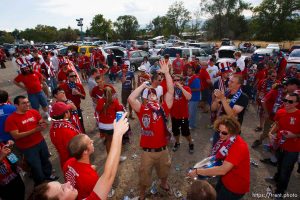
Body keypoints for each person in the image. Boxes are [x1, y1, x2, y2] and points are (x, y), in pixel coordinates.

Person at [28, 114, 129, 200]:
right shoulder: (91, 177)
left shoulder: (68, 162)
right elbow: (108, 176)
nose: (67, 184)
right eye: (62, 189)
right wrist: (118, 134)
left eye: (61, 184)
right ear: (85, 151)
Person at [128, 59, 174, 200]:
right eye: (150, 94)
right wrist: (143, 85)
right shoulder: (143, 110)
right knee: (144, 175)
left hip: (162, 150)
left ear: (158, 98)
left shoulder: (163, 109)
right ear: (146, 99)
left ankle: (164, 183)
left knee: (164, 170)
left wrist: (166, 73)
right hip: (147, 152)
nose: (152, 94)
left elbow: (171, 92)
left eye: (154, 94)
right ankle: (142, 194)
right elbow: (131, 98)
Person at [188, 115, 250, 200]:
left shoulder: (239, 146)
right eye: (219, 131)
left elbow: (222, 170)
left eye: (224, 132)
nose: (220, 134)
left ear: (233, 132)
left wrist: (197, 171)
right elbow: (216, 157)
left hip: (235, 187)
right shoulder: (228, 140)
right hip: (225, 179)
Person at [5, 96, 57, 185]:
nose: (27, 104)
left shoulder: (33, 112)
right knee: (35, 166)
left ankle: (48, 175)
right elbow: (16, 136)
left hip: (40, 142)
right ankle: (41, 183)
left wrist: (43, 124)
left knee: (45, 159)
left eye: (27, 102)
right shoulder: (11, 119)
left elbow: (40, 122)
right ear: (16, 105)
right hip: (27, 147)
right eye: (24, 103)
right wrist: (34, 130)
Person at [266, 93, 300, 196]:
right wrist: (270, 133)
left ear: (297, 103)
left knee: (286, 170)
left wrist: (293, 135)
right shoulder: (280, 111)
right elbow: (277, 124)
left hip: (293, 149)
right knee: (280, 165)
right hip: (280, 145)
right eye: (285, 100)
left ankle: (280, 192)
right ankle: (276, 178)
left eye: (290, 101)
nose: (286, 103)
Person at [211, 74, 249, 145]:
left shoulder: (243, 97)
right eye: (229, 81)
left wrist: (222, 99)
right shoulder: (226, 92)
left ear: (238, 85)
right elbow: (213, 109)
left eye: (232, 82)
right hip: (220, 128)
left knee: (226, 153)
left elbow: (232, 115)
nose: (228, 83)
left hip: (231, 131)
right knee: (215, 149)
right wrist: (216, 100)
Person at [63, 134, 98, 200]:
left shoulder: (67, 163)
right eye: (90, 142)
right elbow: (97, 195)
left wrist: (90, 167)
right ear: (85, 151)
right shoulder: (91, 177)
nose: (92, 141)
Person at [96, 87, 126, 162]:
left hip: (103, 125)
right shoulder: (114, 101)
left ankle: (109, 157)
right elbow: (119, 111)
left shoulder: (100, 101)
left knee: (108, 141)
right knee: (115, 142)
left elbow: (97, 110)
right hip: (111, 125)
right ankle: (117, 157)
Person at [49, 102, 81, 169]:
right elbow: (77, 148)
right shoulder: (68, 130)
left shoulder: (53, 128)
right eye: (68, 111)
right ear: (66, 114)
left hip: (64, 160)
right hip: (74, 163)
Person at [171, 74, 194, 153]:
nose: (176, 82)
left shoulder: (186, 88)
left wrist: (180, 87)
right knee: (175, 131)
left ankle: (191, 143)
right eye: (174, 80)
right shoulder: (171, 90)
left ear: (181, 81)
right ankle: (177, 143)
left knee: (185, 132)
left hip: (183, 115)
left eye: (178, 80)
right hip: (174, 115)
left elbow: (189, 97)